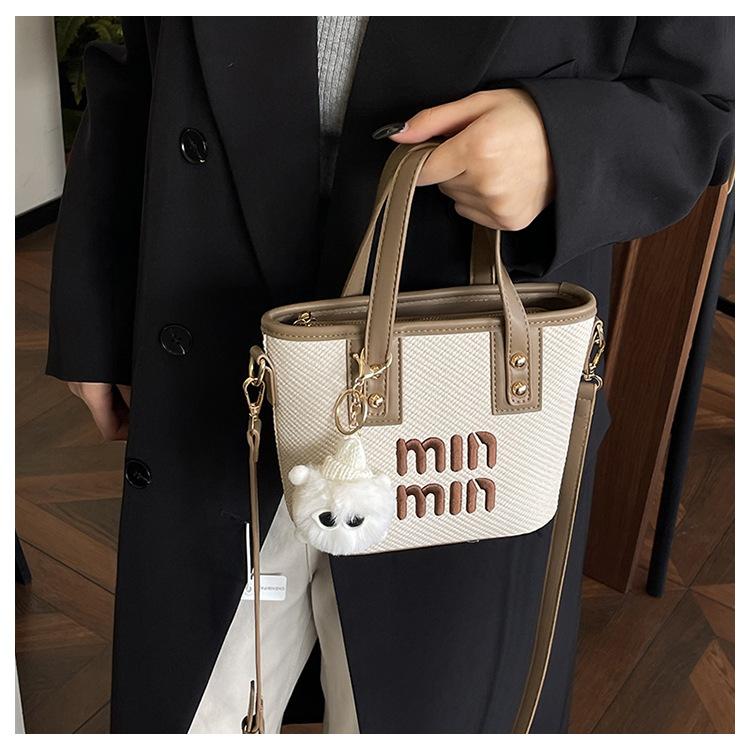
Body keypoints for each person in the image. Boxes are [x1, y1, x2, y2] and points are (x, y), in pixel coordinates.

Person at [47, 16, 734, 733]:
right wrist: (95, 303)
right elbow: (143, 56)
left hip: (465, 380)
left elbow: (708, 99)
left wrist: (566, 143)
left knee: (429, 704)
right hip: (214, 343)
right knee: (197, 708)